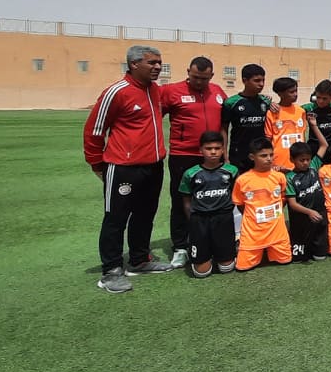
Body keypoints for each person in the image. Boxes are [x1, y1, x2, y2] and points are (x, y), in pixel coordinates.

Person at [85, 44, 172, 293]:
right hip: (123, 168)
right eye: (152, 63)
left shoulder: (155, 91)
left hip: (154, 166)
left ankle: (139, 260)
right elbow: (94, 130)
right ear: (134, 64)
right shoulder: (117, 92)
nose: (158, 67)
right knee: (116, 218)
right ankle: (111, 271)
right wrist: (97, 164)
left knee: (145, 214)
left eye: (159, 63)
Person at [160, 56, 227, 269]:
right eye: (195, 77)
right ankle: (181, 246)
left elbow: (226, 122)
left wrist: (224, 152)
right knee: (182, 199)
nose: (199, 82)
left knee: (214, 199)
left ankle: (210, 240)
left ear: (211, 76)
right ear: (188, 71)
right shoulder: (172, 91)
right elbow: (151, 116)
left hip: (213, 154)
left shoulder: (217, 92)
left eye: (204, 78)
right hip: (184, 155)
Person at [177, 131, 238, 278]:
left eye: (217, 148)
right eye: (209, 148)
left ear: (223, 150)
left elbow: (237, 196)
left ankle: (222, 250)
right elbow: (186, 200)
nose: (213, 152)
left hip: (223, 219)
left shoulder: (232, 171)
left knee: (226, 268)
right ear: (201, 150)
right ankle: (203, 252)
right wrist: (193, 221)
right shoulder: (191, 173)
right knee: (201, 273)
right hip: (200, 220)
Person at [232, 137, 294, 271]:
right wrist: (252, 216)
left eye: (271, 155)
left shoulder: (279, 177)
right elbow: (240, 204)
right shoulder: (242, 180)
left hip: (277, 231)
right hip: (253, 233)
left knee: (286, 260)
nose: (269, 159)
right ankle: (254, 248)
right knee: (242, 267)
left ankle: (270, 249)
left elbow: (283, 199)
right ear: (252, 157)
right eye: (263, 156)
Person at [285, 136, 329, 262]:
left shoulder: (314, 166)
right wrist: (309, 212)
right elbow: (292, 204)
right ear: (292, 159)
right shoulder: (289, 178)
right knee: (299, 258)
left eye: (308, 159)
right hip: (301, 220)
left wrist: (314, 126)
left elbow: (324, 145)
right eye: (301, 160)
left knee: (320, 257)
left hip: (320, 215)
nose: (305, 162)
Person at [222, 63, 271, 173]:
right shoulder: (231, 103)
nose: (261, 84)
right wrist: (225, 155)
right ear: (245, 80)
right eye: (257, 81)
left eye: (263, 80)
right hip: (238, 154)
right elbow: (224, 129)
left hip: (260, 154)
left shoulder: (266, 102)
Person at [265, 77, 307, 171]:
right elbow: (268, 140)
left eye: (296, 91)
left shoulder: (301, 111)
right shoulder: (271, 113)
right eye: (291, 92)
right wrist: (270, 162)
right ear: (280, 94)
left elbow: (303, 136)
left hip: (298, 163)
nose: (295, 94)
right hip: (279, 164)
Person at [304, 79, 331, 163]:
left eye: (324, 98)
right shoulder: (308, 108)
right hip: (314, 148)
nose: (320, 101)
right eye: (318, 97)